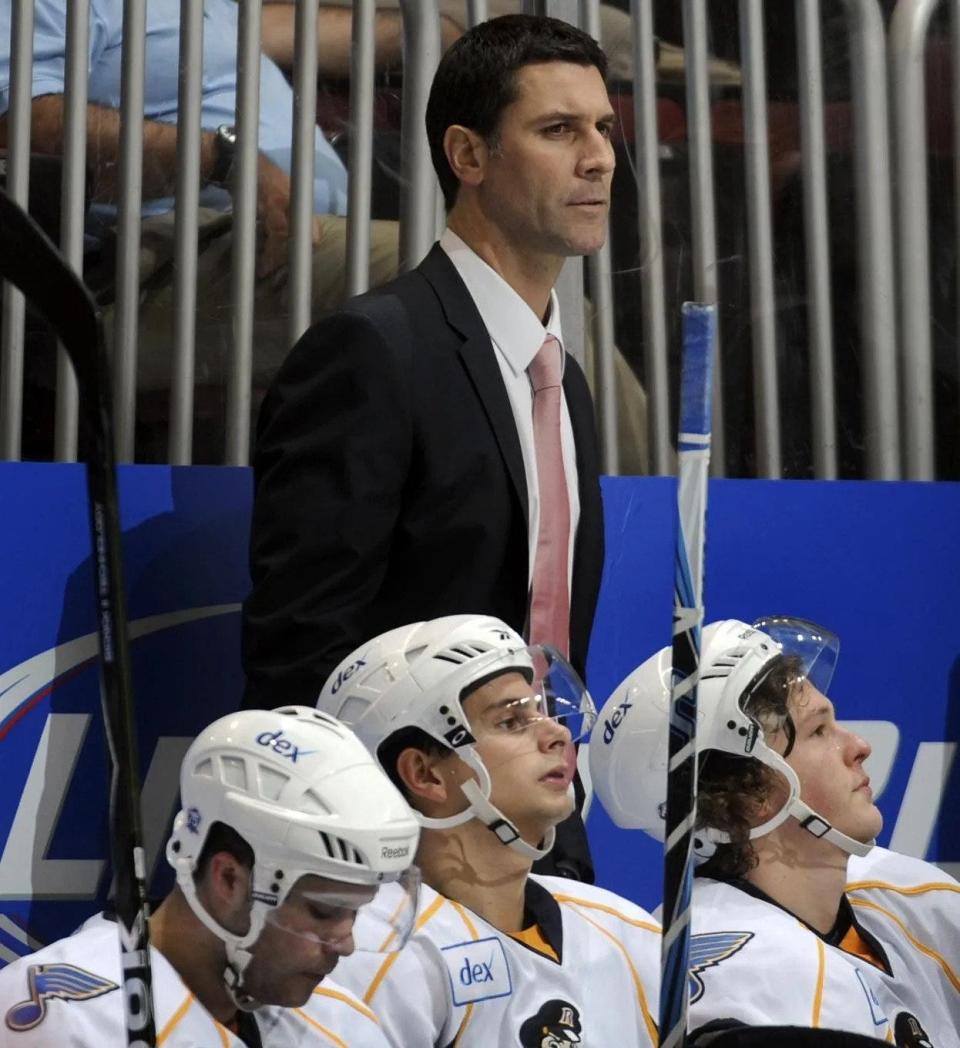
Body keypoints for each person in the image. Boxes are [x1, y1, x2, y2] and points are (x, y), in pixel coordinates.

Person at [0, 0, 400, 396]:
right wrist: (223, 158)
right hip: (155, 261)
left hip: (284, 240)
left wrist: (441, 39)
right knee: (429, 272)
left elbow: (313, 29)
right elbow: (22, 122)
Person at [589, 617, 952, 1046]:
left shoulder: (896, 890)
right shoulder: (740, 970)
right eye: (819, 731)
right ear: (747, 796)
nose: (859, 747)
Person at [315, 614, 661, 1047]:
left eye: (542, 711)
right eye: (511, 722)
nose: (555, 733)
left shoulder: (622, 928)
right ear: (425, 775)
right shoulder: (366, 953)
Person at [0, 706, 421, 1046]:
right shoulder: (63, 1017)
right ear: (229, 880)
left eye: (357, 913)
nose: (346, 945)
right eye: (324, 910)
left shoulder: (342, 1024)